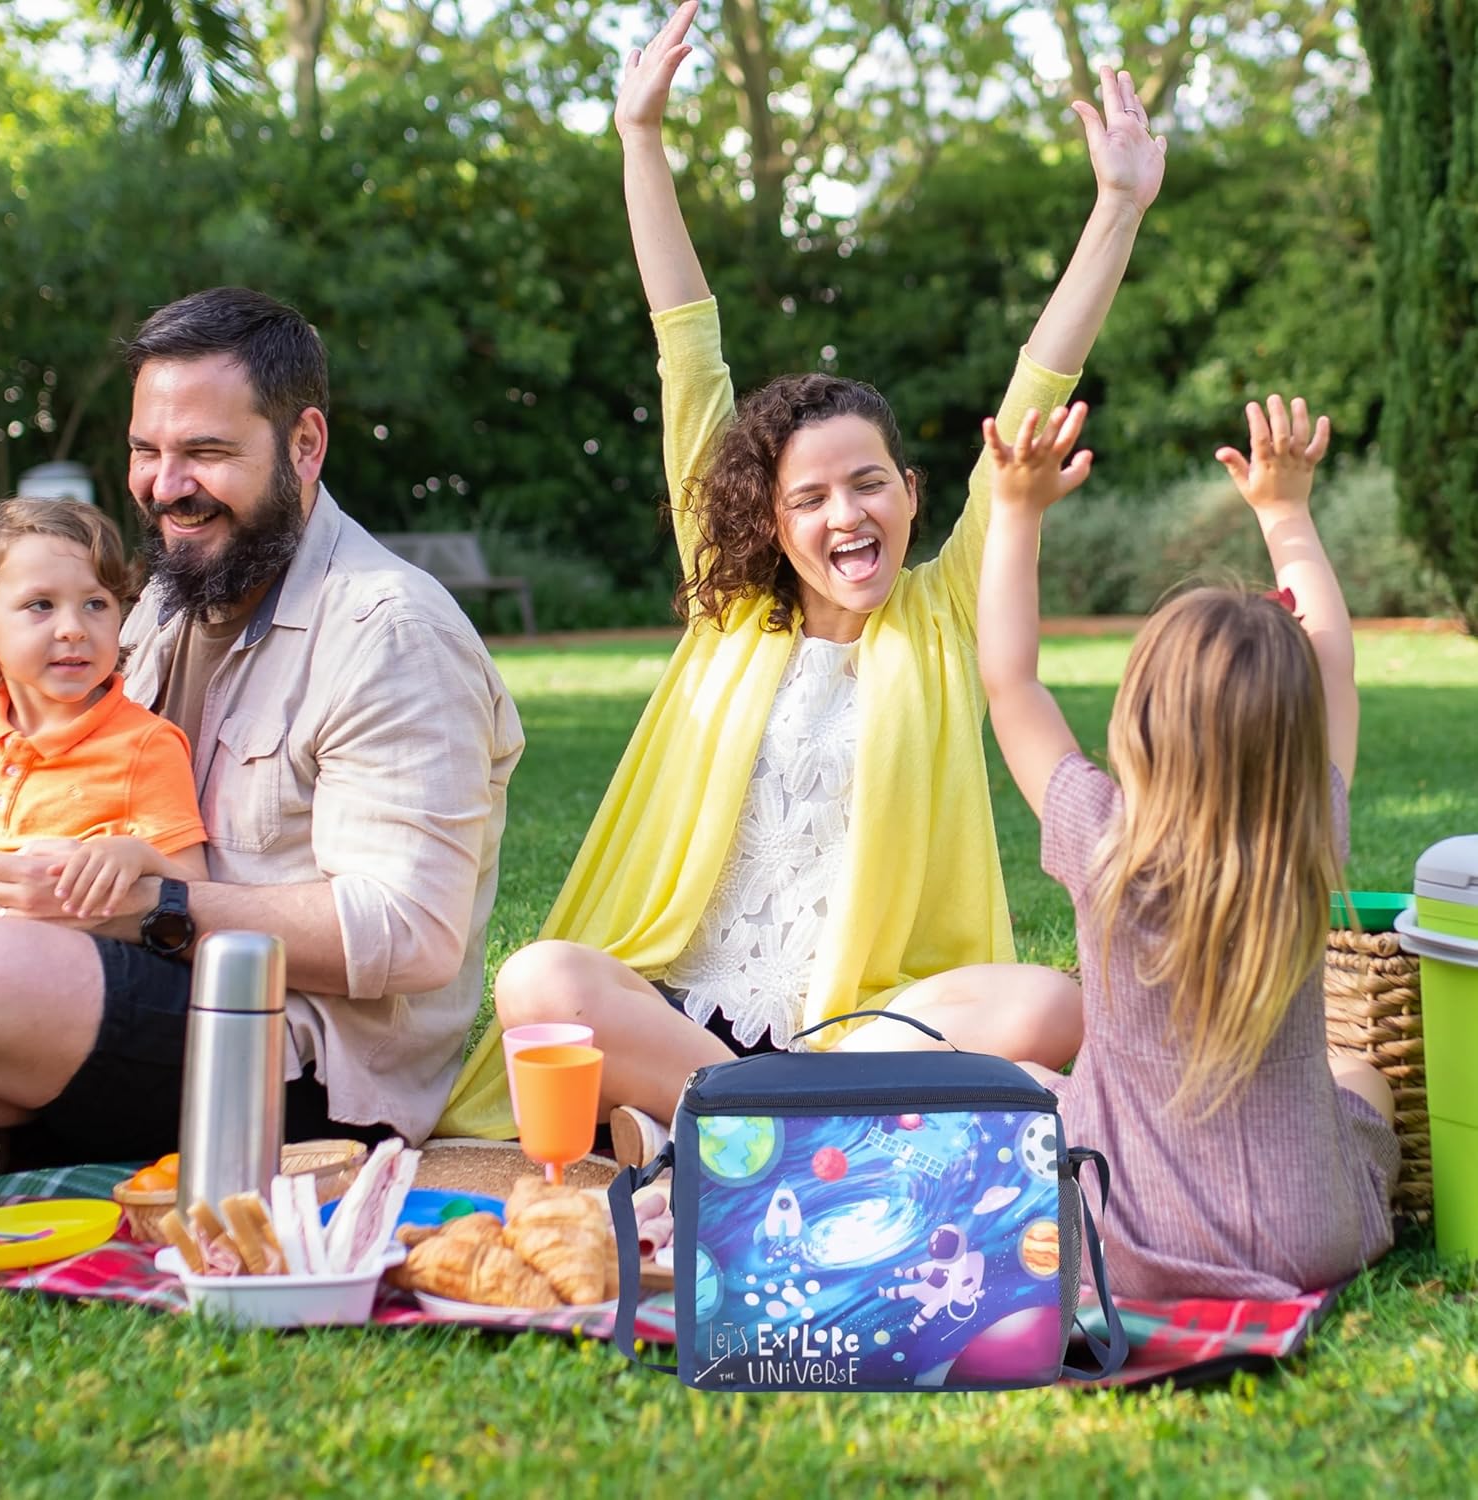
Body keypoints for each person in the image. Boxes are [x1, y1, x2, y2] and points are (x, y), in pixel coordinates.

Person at [436, 0, 1167, 1156]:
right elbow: (687, 343)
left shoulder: (943, 613)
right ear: (768, 525)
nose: (846, 513)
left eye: (869, 484)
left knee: (1045, 1008)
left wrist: (1117, 207)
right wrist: (640, 139)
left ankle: (716, 1129)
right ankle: (762, 1118)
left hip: (854, 1027)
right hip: (685, 1008)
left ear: (914, 493)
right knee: (540, 984)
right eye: (811, 498)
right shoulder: (731, 609)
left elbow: (1039, 382)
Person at [0, 287, 524, 1174]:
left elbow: (412, 932)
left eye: (205, 452)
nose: (166, 487)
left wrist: (145, 910)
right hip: (122, 986)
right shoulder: (160, 602)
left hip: (299, 1066)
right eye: (146, 452)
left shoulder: (390, 632)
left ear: (305, 445)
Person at [976, 391, 1399, 1298]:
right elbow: (1334, 661)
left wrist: (1016, 513)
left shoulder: (1103, 839)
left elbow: (1009, 683)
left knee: (1019, 1085)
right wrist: (1286, 512)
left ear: (1141, 719)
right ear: (1295, 735)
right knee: (1360, 1071)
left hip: (1123, 1237)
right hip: (1306, 1236)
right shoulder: (1307, 828)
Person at [0, 499, 207, 911]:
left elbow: (195, 887)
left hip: (81, 954)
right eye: (41, 605)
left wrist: (136, 858)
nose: (74, 629)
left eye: (96, 604)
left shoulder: (144, 745)